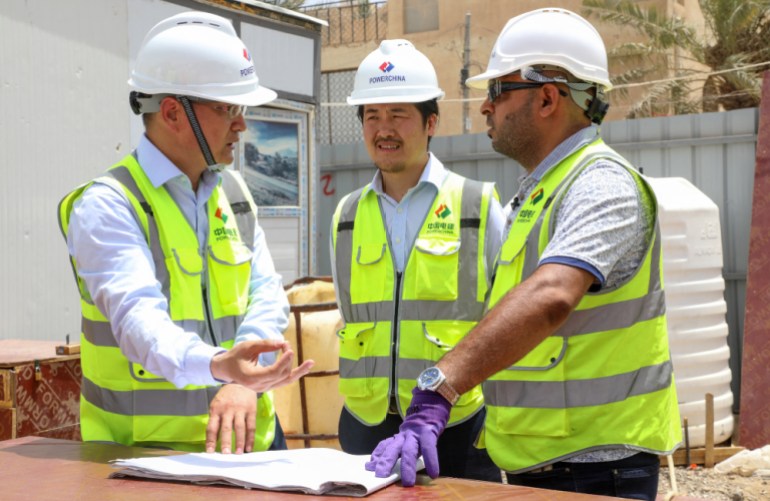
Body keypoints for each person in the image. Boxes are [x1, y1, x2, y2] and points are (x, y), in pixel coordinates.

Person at [364, 9, 682, 500]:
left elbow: (552, 294)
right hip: (546, 464)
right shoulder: (537, 195)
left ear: (548, 97)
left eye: (497, 91)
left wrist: (439, 386)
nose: (486, 107)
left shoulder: (601, 183)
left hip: (597, 469)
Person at [57, 11, 313, 455]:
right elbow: (138, 323)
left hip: (253, 445)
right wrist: (220, 367)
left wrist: (243, 381)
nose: (242, 124)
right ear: (173, 112)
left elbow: (266, 293)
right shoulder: (109, 205)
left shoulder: (232, 192)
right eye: (227, 108)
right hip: (147, 459)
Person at [330, 39, 505, 482]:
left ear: (431, 122)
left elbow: (504, 317)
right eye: (372, 115)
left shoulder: (476, 205)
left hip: (455, 422)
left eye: (398, 114)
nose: (383, 129)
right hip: (365, 425)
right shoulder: (346, 214)